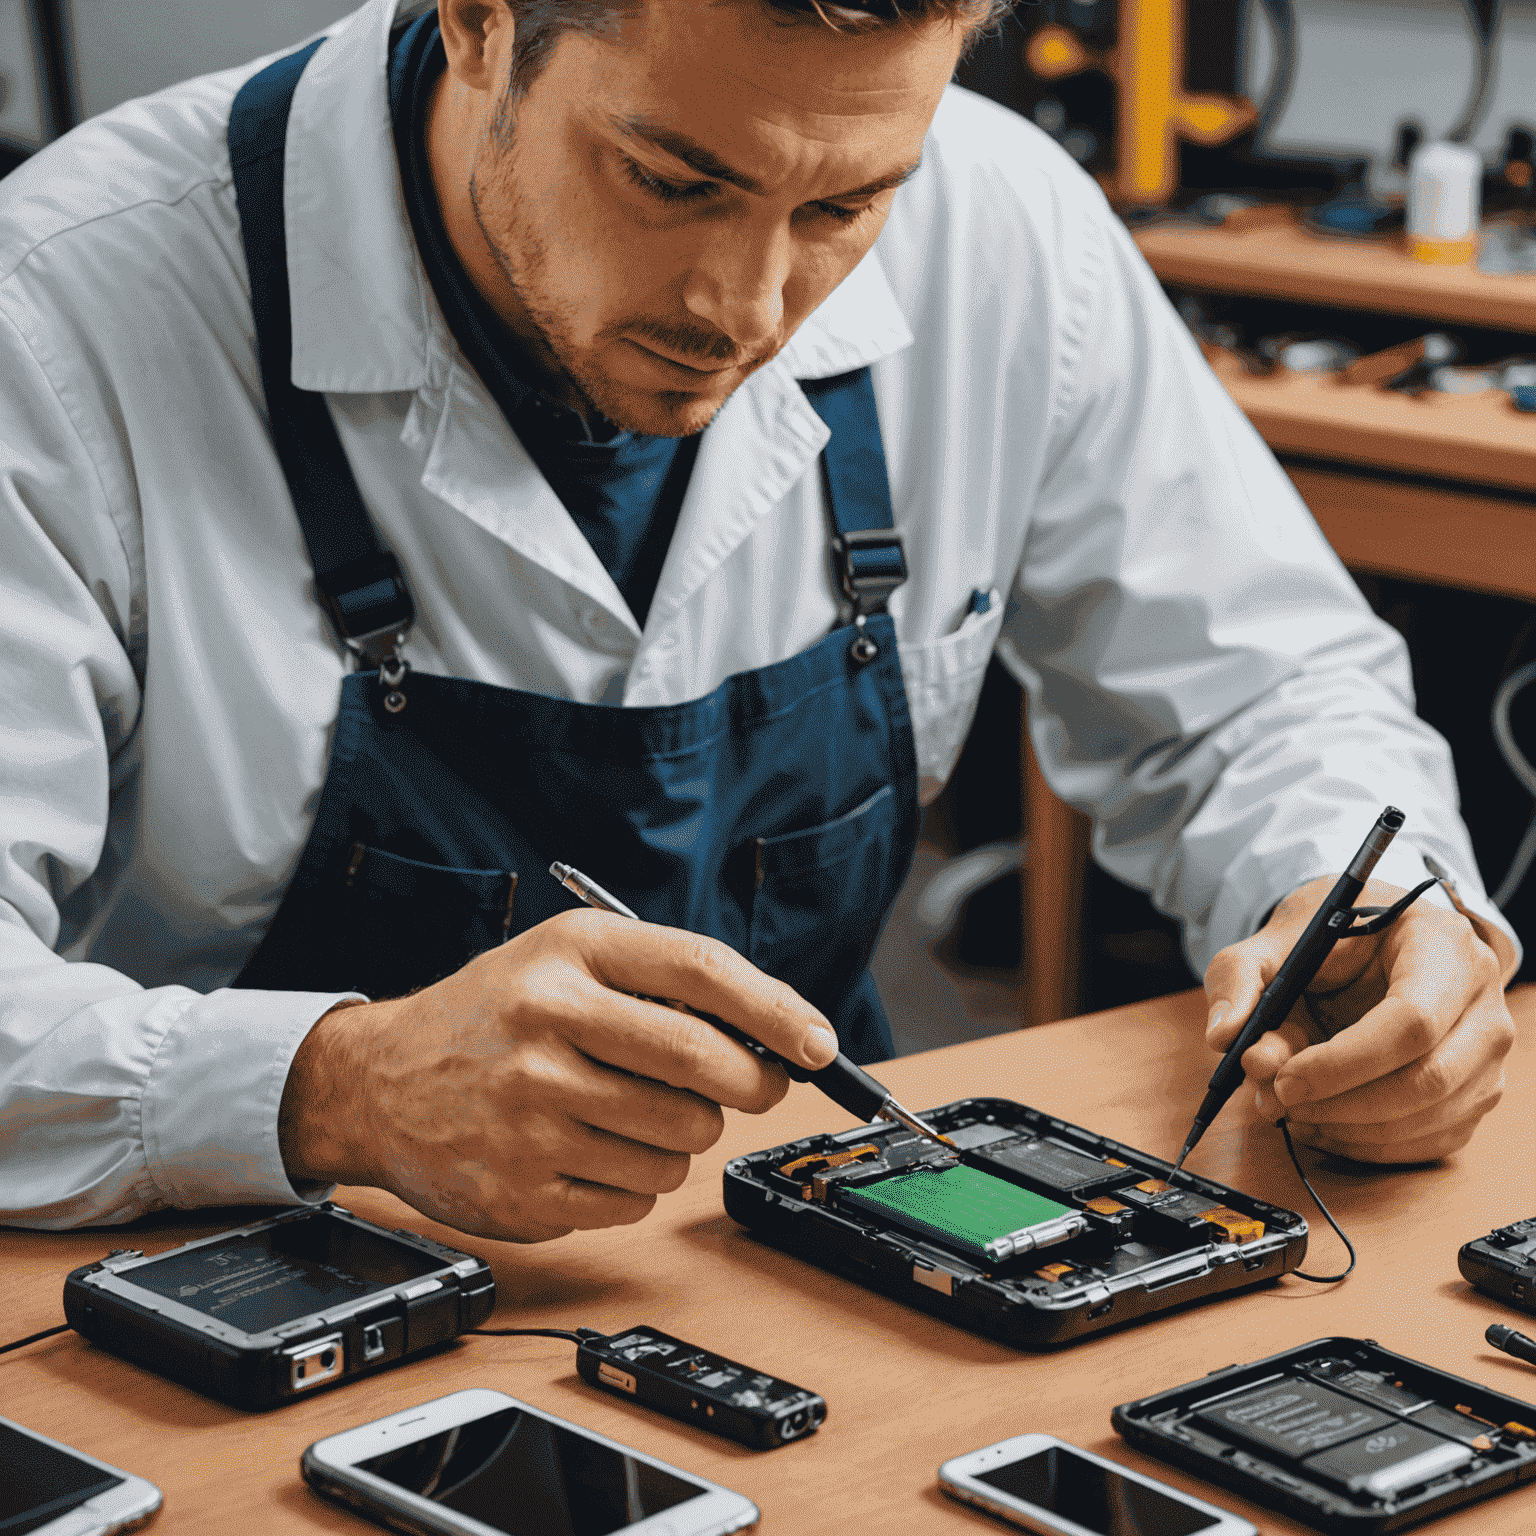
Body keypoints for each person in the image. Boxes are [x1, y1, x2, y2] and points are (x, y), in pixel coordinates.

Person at [0, 0, 1517, 1241]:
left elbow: (1266, 695)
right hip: (219, 1272)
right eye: (673, 182)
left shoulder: (1003, 224)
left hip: (798, 1224)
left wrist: (1357, 908)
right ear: (476, 23)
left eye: (845, 205)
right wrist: (332, 1087)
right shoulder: (60, 315)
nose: (745, 304)